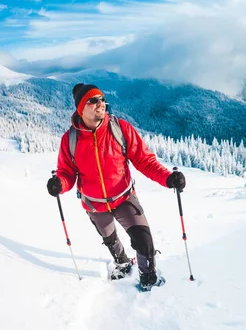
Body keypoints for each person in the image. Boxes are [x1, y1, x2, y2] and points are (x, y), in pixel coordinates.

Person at [46, 83, 186, 290]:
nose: (100, 103)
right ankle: (122, 262)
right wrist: (60, 184)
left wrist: (168, 178)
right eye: (93, 100)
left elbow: (144, 161)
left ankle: (148, 280)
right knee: (110, 239)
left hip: (124, 198)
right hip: (94, 204)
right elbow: (67, 173)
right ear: (81, 108)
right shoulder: (70, 140)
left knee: (144, 241)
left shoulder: (119, 128)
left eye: (102, 99)